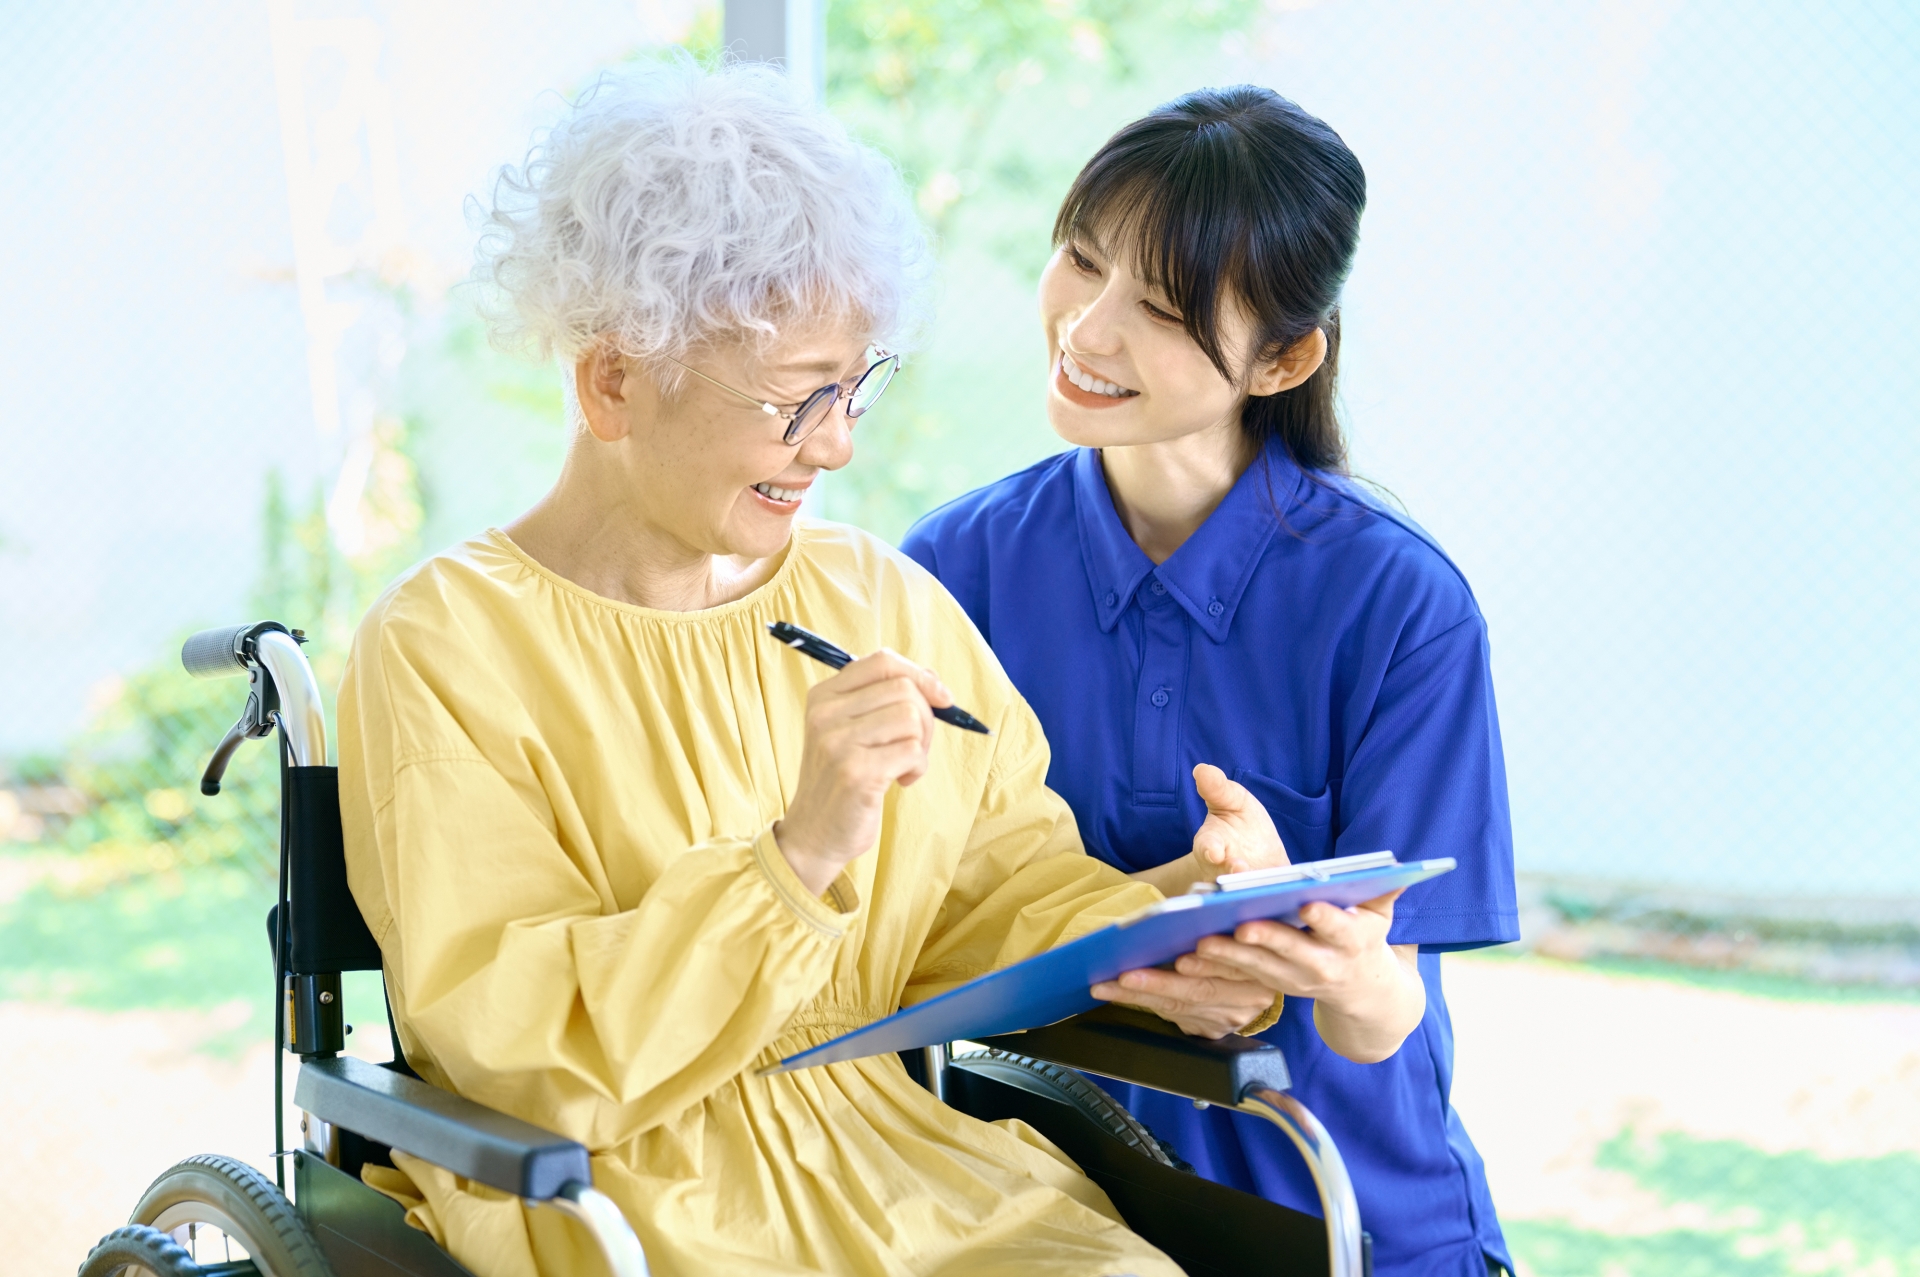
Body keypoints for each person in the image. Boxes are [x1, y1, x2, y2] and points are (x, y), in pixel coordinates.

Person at [334, 62, 1280, 1277]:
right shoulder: (448, 644)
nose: (834, 443)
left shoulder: (878, 596)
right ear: (614, 379)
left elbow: (1005, 893)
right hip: (621, 1197)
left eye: (854, 388)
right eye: (795, 400)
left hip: (903, 1172)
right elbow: (515, 1045)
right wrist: (798, 856)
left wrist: (1183, 922)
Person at [902, 86, 1520, 1277]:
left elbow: (1383, 1013)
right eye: (1081, 261)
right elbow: (909, 936)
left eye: (1164, 308)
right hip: (1041, 1219)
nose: (1087, 329)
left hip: (1349, 1222)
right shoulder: (951, 570)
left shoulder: (1400, 609)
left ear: (1283, 357)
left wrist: (1331, 958)